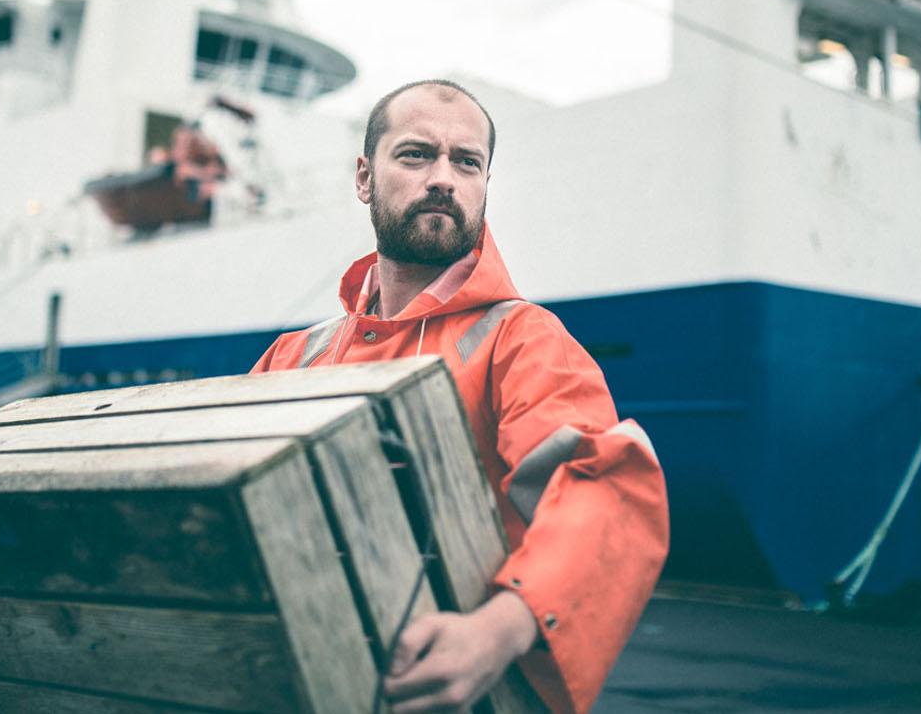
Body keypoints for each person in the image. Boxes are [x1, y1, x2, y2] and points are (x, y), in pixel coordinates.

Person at [251, 80, 669, 713]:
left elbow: (606, 489)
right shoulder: (294, 356)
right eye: (416, 154)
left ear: (483, 186)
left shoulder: (523, 340)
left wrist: (496, 633)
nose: (442, 177)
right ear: (364, 177)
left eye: (466, 161)